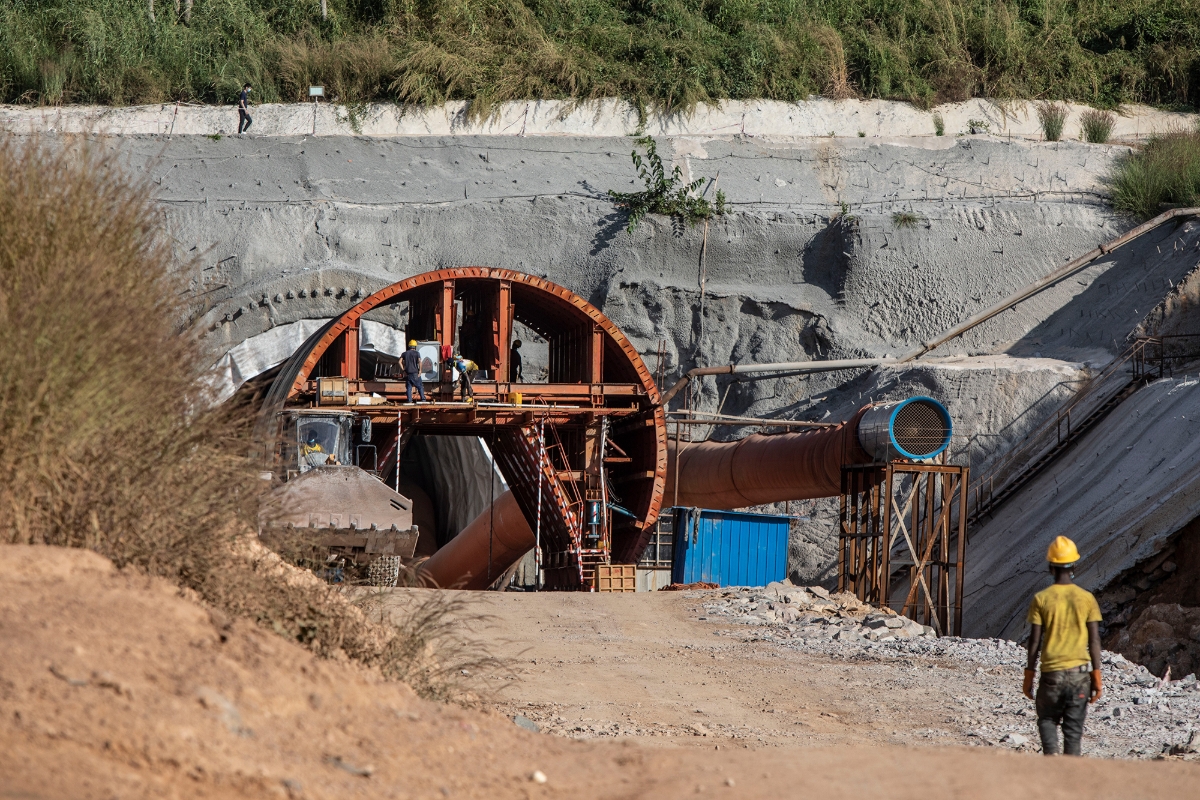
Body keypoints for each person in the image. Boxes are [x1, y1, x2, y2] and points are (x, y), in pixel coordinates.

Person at [1023, 536, 1103, 756]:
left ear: (1051, 567)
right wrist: (1096, 676)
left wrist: (1029, 676)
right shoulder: (1087, 599)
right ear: (1074, 566)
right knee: (1073, 732)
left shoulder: (1041, 599)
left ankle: (1052, 766)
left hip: (1051, 677)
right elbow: (1094, 641)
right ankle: (1070, 773)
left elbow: (1034, 641)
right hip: (1079, 677)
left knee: (1047, 720)